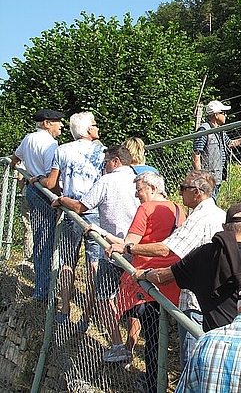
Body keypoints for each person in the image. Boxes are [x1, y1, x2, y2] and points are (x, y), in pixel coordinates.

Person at [108, 170, 225, 374]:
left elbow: (165, 248)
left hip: (188, 296)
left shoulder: (198, 217)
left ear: (197, 192)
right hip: (206, 294)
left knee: (190, 361)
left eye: (183, 188)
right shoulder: (194, 212)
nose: (180, 193)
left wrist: (128, 248)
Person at [133, 203, 241, 331]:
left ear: (225, 227)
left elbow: (162, 277)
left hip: (214, 341)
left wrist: (143, 274)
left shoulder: (205, 254)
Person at [54, 145, 140, 356]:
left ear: (116, 161)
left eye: (106, 162)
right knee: (134, 302)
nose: (104, 166)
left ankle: (118, 345)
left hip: (112, 251)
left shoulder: (107, 181)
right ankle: (130, 347)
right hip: (137, 249)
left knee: (103, 297)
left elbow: (82, 207)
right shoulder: (140, 180)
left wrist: (61, 199)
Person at [103, 171, 185, 392]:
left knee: (150, 336)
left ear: (151, 188)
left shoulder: (145, 209)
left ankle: (153, 383)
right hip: (171, 279)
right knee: (159, 335)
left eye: (139, 189)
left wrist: (106, 236)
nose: (137, 194)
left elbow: (129, 243)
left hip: (145, 278)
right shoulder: (178, 209)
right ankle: (156, 380)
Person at [38, 111, 105, 324]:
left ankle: (65, 309)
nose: (97, 127)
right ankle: (87, 313)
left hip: (70, 211)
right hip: (95, 211)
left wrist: (58, 195)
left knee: (68, 260)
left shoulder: (63, 150)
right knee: (93, 263)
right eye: (94, 124)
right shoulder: (102, 152)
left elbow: (52, 183)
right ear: (87, 129)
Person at [9, 109, 65, 302]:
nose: (61, 125)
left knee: (41, 239)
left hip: (33, 191)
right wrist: (58, 198)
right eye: (57, 122)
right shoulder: (50, 144)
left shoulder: (28, 139)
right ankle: (43, 291)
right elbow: (52, 178)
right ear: (47, 123)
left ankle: (43, 288)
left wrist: (25, 174)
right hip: (45, 193)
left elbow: (14, 160)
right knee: (47, 242)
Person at [192, 100, 241, 200]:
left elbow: (230, 144)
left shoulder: (220, 131)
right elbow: (196, 154)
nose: (225, 115)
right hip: (207, 178)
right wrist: (200, 177)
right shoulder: (204, 130)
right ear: (216, 115)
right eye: (223, 113)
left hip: (216, 178)